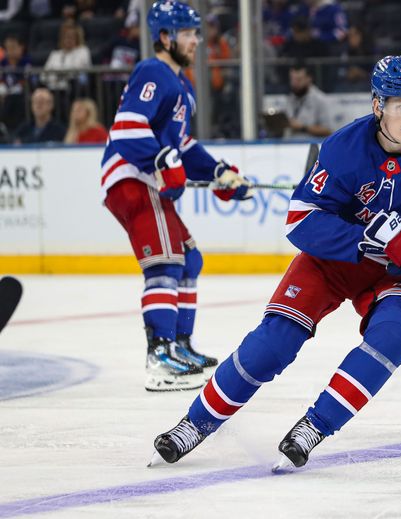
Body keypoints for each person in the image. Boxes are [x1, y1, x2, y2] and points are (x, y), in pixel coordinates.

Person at [150, 55, 401, 469]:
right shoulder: (344, 147)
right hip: (333, 261)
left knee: (394, 336)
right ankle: (195, 424)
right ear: (378, 105)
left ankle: (315, 425)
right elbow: (299, 220)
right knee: (273, 343)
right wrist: (366, 241)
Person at [100, 0, 254, 392]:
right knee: (164, 262)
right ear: (165, 37)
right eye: (188, 34)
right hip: (131, 177)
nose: (196, 41)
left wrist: (218, 172)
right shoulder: (153, 71)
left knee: (188, 258)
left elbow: (182, 146)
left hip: (147, 179)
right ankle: (159, 355)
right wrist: (162, 159)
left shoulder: (183, 87)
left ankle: (180, 345)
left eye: (196, 33)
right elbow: (127, 129)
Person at [286, 61, 334, 137]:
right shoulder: (290, 97)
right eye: (292, 79)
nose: (294, 83)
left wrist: (302, 127)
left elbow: (328, 130)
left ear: (309, 79)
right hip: (289, 145)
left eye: (298, 80)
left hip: (311, 146)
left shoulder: (320, 99)